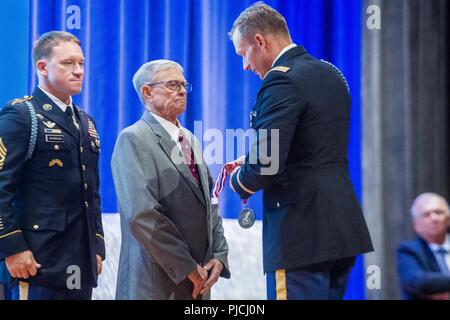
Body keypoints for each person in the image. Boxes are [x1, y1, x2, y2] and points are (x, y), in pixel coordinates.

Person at [228, 2, 373, 299]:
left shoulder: (279, 79)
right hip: (341, 229)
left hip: (300, 235)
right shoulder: (330, 73)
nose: (245, 65)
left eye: (243, 54)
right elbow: (313, 147)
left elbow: (263, 168)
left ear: (259, 41)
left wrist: (237, 179)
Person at [111, 59, 230, 300]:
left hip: (198, 281)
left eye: (184, 85)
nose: (183, 91)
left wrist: (218, 255)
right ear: (147, 92)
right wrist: (187, 267)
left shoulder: (191, 140)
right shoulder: (133, 139)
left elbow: (210, 202)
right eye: (173, 85)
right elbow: (142, 215)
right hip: (156, 282)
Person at [0, 31, 105, 300]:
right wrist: (11, 247)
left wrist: (97, 246)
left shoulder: (86, 122)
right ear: (42, 67)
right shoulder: (21, 116)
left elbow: (91, 191)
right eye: (68, 63)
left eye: (81, 63)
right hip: (36, 261)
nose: (79, 71)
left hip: (79, 262)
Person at [397, 193, 450, 300]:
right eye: (427, 214)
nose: (434, 218)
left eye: (438, 212)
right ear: (416, 225)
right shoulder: (408, 250)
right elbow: (417, 282)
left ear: (448, 219)